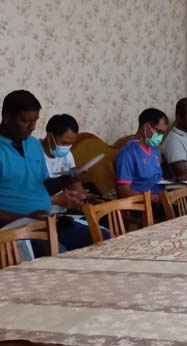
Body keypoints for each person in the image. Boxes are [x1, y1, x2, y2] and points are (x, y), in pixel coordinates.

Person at [0, 90, 73, 259]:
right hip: (13, 231)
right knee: (63, 259)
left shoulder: (33, 144)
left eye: (35, 121)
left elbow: (42, 185)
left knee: (100, 239)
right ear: (6, 117)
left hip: (46, 222)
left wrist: (68, 178)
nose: (32, 127)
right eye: (26, 121)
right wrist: (25, 217)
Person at [41, 114, 109, 249]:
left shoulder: (67, 155)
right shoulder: (35, 154)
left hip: (63, 214)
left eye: (70, 144)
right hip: (42, 217)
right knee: (99, 237)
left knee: (104, 233)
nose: (66, 148)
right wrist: (58, 200)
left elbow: (74, 182)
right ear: (49, 137)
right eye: (64, 143)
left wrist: (80, 195)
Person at [115, 108, 169, 203]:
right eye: (159, 132)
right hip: (143, 206)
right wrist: (154, 198)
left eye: (163, 133)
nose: (161, 137)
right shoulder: (127, 154)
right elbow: (124, 192)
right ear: (147, 127)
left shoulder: (156, 151)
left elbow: (158, 180)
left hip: (162, 200)